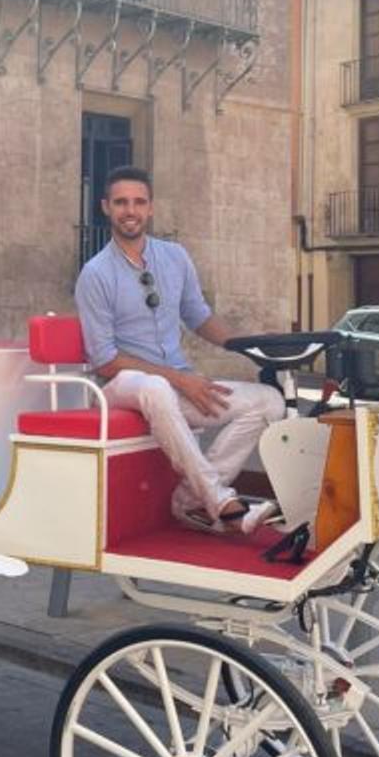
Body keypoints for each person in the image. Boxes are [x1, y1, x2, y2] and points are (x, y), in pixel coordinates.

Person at [74, 166, 283, 533]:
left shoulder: (175, 257)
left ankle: (189, 501)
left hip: (170, 387)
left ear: (151, 208)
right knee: (154, 387)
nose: (130, 211)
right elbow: (104, 359)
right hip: (120, 389)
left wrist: (251, 347)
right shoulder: (95, 274)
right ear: (106, 207)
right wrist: (181, 380)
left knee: (269, 401)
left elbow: (199, 316)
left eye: (139, 202)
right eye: (121, 202)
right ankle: (220, 500)